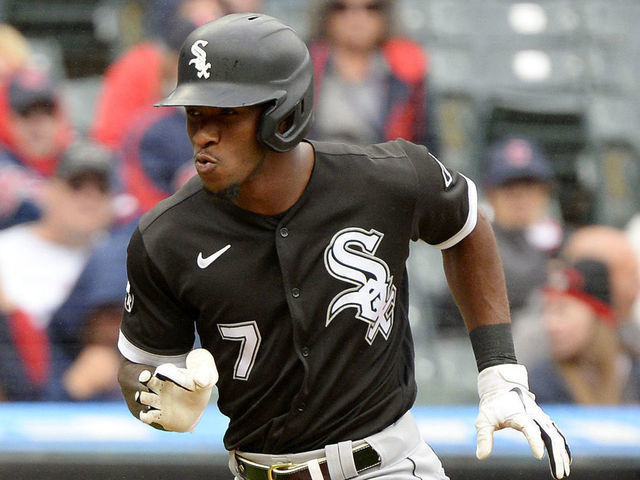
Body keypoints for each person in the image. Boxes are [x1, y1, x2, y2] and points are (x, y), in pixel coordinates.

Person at [117, 14, 571, 480]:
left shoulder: (384, 178)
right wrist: (156, 396)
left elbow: (467, 226)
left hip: (386, 465)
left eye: (226, 115)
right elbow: (138, 367)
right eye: (195, 113)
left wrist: (500, 372)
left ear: (284, 112)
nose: (202, 135)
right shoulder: (165, 236)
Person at [0, 140, 115, 400]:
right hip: (18, 404)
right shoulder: (5, 252)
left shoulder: (125, 259)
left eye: (101, 188)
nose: (90, 197)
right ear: (50, 190)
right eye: (77, 185)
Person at [428, 136, 562, 334]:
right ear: (491, 194)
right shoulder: (474, 239)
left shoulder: (565, 239)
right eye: (509, 188)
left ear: (545, 192)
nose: (521, 198)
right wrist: (552, 278)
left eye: (529, 186)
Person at [306, 0, 438, 151]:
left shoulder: (407, 69)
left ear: (385, 14)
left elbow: (426, 144)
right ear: (326, 13)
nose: (356, 18)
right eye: (341, 8)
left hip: (385, 170)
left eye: (371, 8)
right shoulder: (302, 63)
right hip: (311, 168)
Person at [527, 258, 640, 404]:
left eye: (561, 311)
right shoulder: (542, 382)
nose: (549, 324)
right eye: (546, 311)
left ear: (598, 316)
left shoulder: (633, 373)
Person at [0, 68, 74, 228]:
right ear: (11, 120)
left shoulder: (75, 159)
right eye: (25, 113)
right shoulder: (4, 166)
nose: (36, 124)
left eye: (45, 112)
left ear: (58, 116)